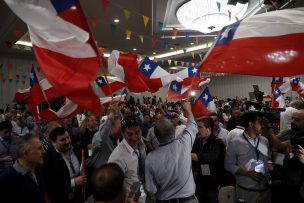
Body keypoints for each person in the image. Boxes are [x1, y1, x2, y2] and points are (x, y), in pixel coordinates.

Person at [145, 101, 198, 203]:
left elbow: (151, 189)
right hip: (189, 199)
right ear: (174, 131)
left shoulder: (150, 158)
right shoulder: (184, 144)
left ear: (156, 136)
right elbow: (192, 125)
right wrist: (188, 109)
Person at [225, 112, 272, 203]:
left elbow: (269, 159)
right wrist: (247, 173)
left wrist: (269, 165)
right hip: (246, 192)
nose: (262, 126)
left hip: (265, 191)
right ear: (251, 124)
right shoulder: (235, 142)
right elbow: (229, 165)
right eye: (260, 122)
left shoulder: (264, 141)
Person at [43, 127, 87, 203]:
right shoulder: (48, 159)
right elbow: (51, 185)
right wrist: (73, 182)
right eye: (62, 140)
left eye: (68, 137)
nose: (67, 141)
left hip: (81, 194)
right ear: (53, 142)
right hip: (64, 198)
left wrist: (87, 161)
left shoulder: (76, 147)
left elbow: (85, 155)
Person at [108, 115, 146, 201]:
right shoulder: (117, 157)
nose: (134, 138)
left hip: (142, 195)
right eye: (129, 134)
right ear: (123, 133)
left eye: (137, 133)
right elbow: (112, 188)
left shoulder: (141, 143)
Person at [0, 135, 48, 203]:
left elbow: (43, 194)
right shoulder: (5, 179)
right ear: (25, 154)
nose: (44, 151)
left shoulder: (38, 168)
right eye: (40, 148)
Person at [191, 116, 226, 203]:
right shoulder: (198, 141)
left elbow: (210, 157)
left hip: (213, 185)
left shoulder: (217, 142)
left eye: (200, 127)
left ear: (208, 129)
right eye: (197, 127)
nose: (197, 129)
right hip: (199, 182)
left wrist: (189, 155)